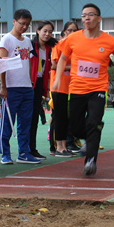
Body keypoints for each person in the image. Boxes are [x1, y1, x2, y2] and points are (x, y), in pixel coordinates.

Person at [52, 3, 114, 176]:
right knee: (75, 127)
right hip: (77, 89)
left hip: (98, 89)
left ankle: (90, 160)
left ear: (99, 18)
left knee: (93, 123)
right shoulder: (73, 38)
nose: (86, 18)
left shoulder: (110, 41)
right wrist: (57, 79)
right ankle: (89, 136)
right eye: (83, 15)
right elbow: (62, 59)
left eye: (90, 14)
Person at [0, 9, 40, 165]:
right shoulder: (6, 40)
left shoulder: (27, 41)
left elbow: (28, 63)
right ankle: (5, 154)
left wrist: (30, 82)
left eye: (27, 24)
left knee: (25, 123)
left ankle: (24, 153)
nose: (24, 27)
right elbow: (1, 64)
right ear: (14, 21)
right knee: (7, 123)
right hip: (11, 88)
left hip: (26, 88)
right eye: (22, 23)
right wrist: (3, 86)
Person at [50, 21, 78, 156]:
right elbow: (53, 65)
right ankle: (58, 148)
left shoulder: (75, 47)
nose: (72, 33)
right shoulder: (59, 45)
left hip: (71, 87)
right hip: (59, 86)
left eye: (75, 31)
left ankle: (65, 146)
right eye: (70, 30)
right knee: (59, 117)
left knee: (66, 118)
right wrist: (72, 67)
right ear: (65, 31)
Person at [29, 20, 56, 159]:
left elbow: (46, 70)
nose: (47, 34)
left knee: (34, 118)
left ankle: (32, 149)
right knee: (28, 118)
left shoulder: (49, 48)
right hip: (28, 84)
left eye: (50, 32)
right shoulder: (30, 45)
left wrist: (47, 90)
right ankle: (24, 150)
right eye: (45, 31)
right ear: (38, 31)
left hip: (39, 84)